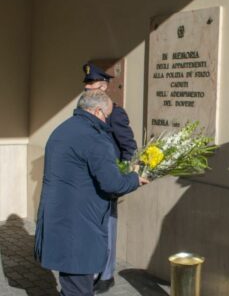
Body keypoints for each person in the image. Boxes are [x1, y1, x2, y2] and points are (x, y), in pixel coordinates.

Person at [34, 90, 149, 296]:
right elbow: (112, 184)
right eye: (107, 116)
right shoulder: (95, 139)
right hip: (79, 228)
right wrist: (134, 179)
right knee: (78, 289)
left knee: (70, 284)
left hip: (59, 220)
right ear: (97, 111)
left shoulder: (62, 130)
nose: (108, 122)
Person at [82, 62, 137, 293]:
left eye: (91, 84)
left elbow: (128, 146)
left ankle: (106, 274)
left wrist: (122, 175)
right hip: (89, 176)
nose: (87, 88)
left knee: (107, 227)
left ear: (103, 87)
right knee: (92, 226)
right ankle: (91, 269)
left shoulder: (115, 112)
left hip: (108, 176)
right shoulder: (86, 109)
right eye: (86, 85)